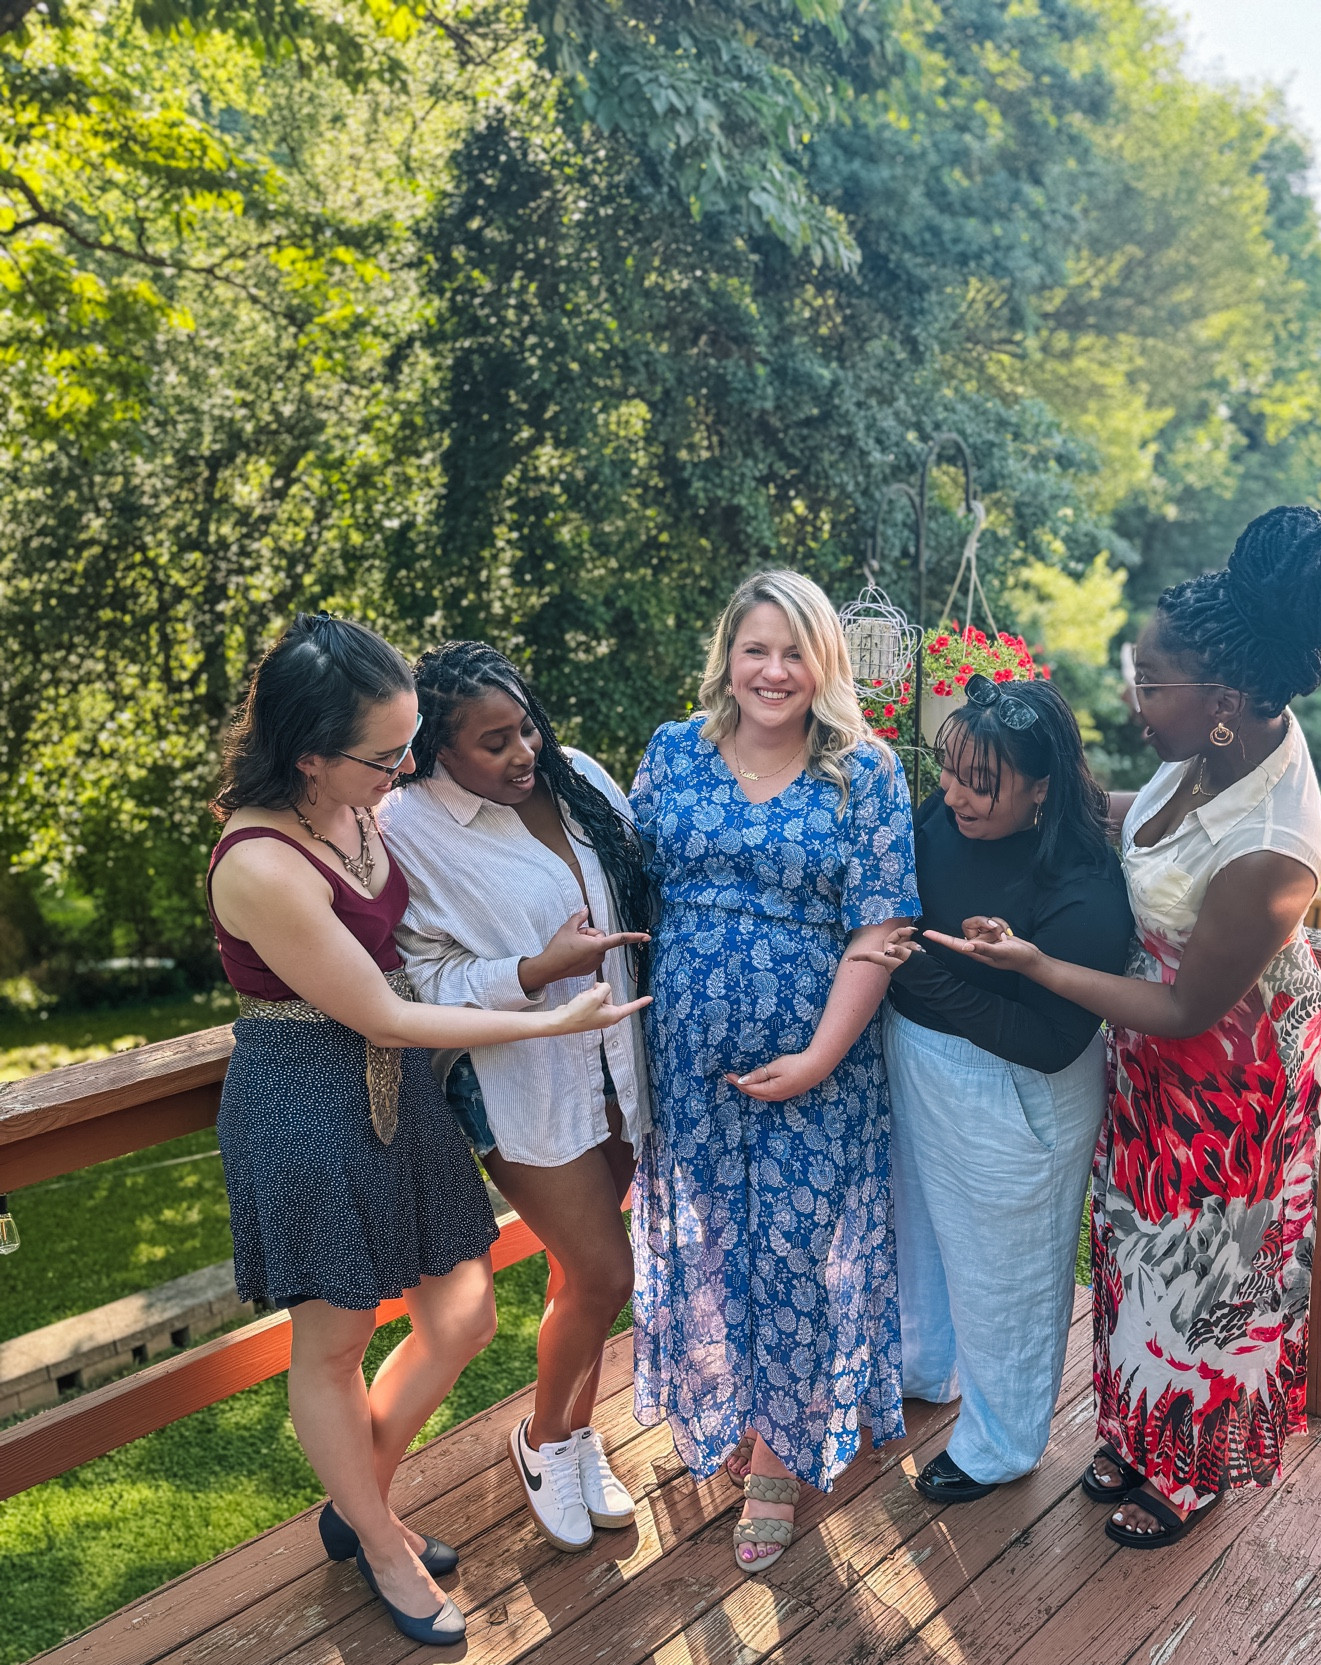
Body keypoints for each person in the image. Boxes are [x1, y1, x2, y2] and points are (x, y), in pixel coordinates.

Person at [925, 506, 1321, 1548]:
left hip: (1227, 1071)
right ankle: (1138, 1426)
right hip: (1152, 1048)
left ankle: (1194, 1467)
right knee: (1134, 1242)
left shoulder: (1273, 842)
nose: (1136, 693)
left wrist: (1038, 963)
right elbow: (1132, 815)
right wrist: (1019, 770)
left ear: (1221, 699)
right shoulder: (1214, 747)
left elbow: (1185, 1007)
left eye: (1150, 680)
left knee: (1205, 1263)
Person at [208, 614, 647, 1645]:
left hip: (398, 1093)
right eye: (386, 754)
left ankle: (356, 1501)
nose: (404, 770)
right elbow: (388, 1007)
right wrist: (547, 1009)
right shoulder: (260, 861)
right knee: (336, 1340)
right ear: (309, 755)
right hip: (308, 1101)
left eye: (410, 743)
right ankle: (382, 1537)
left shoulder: (361, 811)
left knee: (461, 1317)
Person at [629, 568, 921, 1574]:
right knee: (713, 1246)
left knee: (794, 1253)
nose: (773, 669)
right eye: (757, 647)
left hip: (818, 1068)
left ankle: (773, 1463)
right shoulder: (674, 753)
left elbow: (882, 931)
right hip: (693, 1070)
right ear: (729, 656)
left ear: (825, 662)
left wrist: (816, 1057)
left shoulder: (865, 772)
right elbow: (633, 882)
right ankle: (728, 1411)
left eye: (795, 650)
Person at [380, 641, 653, 1557]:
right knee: (607, 1270)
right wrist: (538, 971)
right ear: (437, 752)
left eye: (524, 726)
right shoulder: (406, 827)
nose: (522, 751)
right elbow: (417, 982)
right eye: (492, 743)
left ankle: (579, 1438)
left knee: (583, 1276)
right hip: (520, 1082)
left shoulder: (579, 779)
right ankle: (541, 1442)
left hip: (620, 1060)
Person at [855, 677, 1134, 1503]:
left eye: (982, 783)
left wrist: (928, 976)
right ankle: (927, 1365)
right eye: (949, 773)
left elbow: (1050, 1042)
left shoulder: (1084, 888)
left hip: (1014, 1089)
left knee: (1005, 1270)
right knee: (928, 1236)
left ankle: (1001, 1441)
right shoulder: (943, 812)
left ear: (1043, 786)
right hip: (921, 1057)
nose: (955, 796)